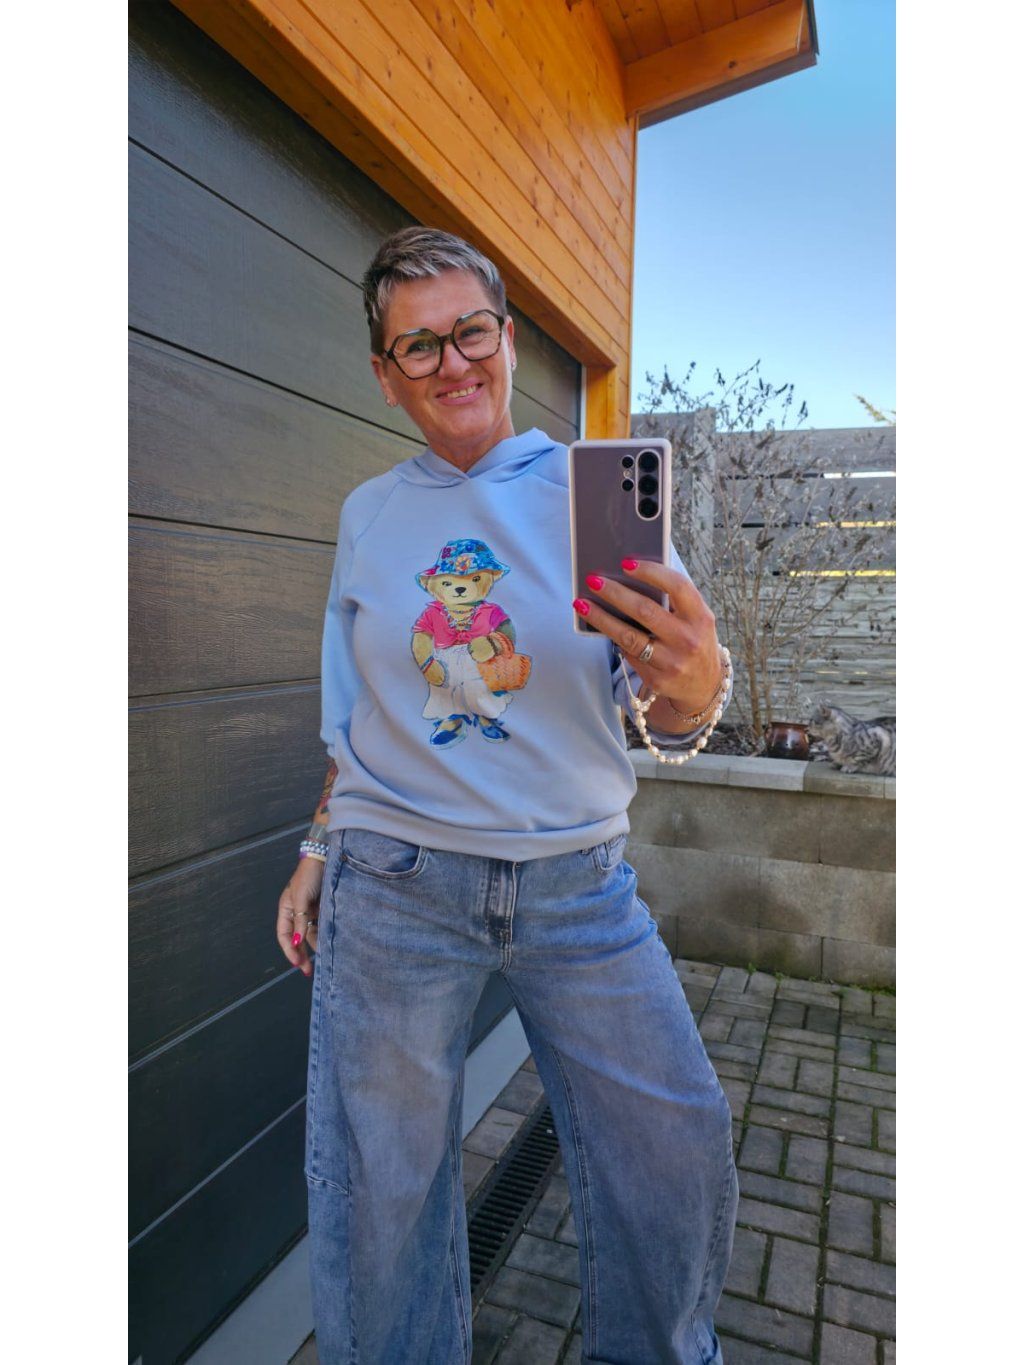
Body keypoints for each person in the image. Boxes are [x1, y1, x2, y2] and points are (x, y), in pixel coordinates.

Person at [276, 226, 739, 1365]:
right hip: (393, 883)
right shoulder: (368, 513)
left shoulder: (594, 494)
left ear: (509, 338)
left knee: (672, 1147)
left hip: (578, 887)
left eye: (469, 330)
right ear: (385, 374)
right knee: (383, 1185)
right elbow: (358, 713)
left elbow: (665, 708)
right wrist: (319, 846)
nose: (452, 362)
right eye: (418, 345)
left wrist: (697, 683)